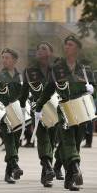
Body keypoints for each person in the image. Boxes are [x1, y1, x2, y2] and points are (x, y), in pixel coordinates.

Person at [35, 35, 96, 191]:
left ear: (77, 49)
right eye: (66, 44)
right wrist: (39, 106)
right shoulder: (57, 69)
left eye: (70, 44)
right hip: (64, 109)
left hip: (82, 110)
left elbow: (93, 91)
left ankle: (69, 181)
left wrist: (93, 90)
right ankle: (75, 169)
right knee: (68, 142)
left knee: (75, 144)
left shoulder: (85, 69)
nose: (67, 47)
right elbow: (49, 89)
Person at [20, 42, 57, 187]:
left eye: (44, 48)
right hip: (37, 109)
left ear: (51, 52)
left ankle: (46, 173)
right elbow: (24, 91)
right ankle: (48, 167)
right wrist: (22, 106)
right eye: (38, 49)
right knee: (43, 139)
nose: (40, 51)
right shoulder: (29, 70)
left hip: (54, 108)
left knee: (52, 141)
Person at [0, 48, 24, 184]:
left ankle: (9, 172)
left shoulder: (20, 76)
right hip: (4, 113)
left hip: (18, 113)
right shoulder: (0, 76)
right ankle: (15, 166)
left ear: (15, 60)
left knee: (15, 142)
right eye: (3, 57)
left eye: (7, 58)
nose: (4, 60)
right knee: (9, 140)